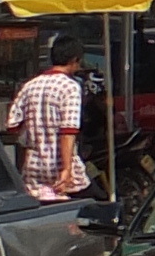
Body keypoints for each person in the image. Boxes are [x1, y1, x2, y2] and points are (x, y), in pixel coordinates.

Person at [6, 33, 91, 203]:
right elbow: (68, 131)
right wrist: (67, 169)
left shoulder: (30, 86)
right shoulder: (70, 87)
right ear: (75, 59)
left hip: (34, 169)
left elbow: (12, 125)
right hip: (60, 168)